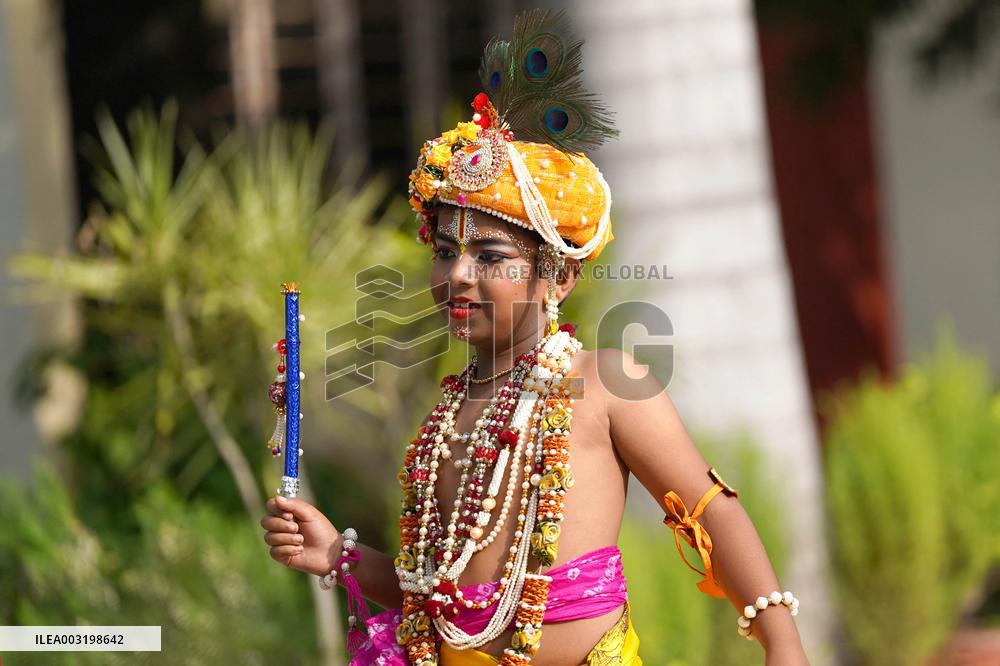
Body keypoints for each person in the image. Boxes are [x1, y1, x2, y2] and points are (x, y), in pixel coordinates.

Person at [260, 9, 810, 666]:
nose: (458, 276)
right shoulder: (449, 413)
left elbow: (711, 511)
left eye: (489, 258)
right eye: (444, 253)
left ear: (558, 277)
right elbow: (442, 599)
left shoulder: (606, 383)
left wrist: (783, 644)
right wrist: (341, 557)